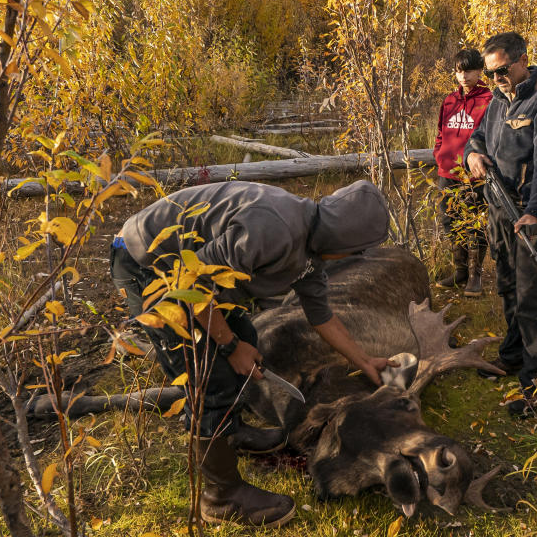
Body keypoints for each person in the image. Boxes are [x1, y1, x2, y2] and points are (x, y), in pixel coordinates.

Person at [110, 180, 394, 527]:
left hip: (194, 275)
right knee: (208, 374)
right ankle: (220, 497)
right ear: (345, 238)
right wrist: (228, 347)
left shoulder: (312, 250)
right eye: (358, 250)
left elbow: (321, 314)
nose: (357, 258)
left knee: (248, 336)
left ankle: (233, 431)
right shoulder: (273, 229)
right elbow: (190, 284)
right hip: (147, 263)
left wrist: (363, 360)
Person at [464, 31, 537, 418]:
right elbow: (476, 140)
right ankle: (512, 356)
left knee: (530, 299)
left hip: (527, 213)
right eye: (491, 74)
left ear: (522, 59)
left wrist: (536, 211)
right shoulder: (498, 100)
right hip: (497, 207)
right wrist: (473, 157)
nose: (495, 79)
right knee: (507, 286)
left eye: (501, 71)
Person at [432, 48, 493, 297]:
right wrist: (439, 155)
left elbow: (492, 138)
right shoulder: (449, 100)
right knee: (450, 220)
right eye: (459, 71)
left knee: (476, 224)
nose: (463, 76)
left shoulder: (490, 100)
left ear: (479, 71)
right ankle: (460, 272)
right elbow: (440, 133)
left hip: (474, 176)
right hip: (447, 173)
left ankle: (476, 276)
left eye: (468, 71)